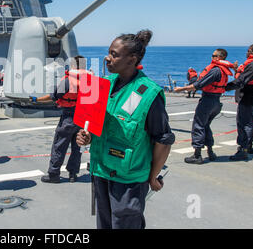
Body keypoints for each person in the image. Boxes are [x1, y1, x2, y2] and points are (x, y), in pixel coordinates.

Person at [76, 30, 174, 229]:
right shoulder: (103, 85)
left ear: (132, 59)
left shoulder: (148, 94)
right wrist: (87, 137)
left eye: (114, 54)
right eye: (109, 52)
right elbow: (96, 126)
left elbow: (163, 140)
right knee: (104, 224)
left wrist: (152, 178)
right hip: (101, 171)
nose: (107, 58)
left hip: (129, 179)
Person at [29, 55, 89, 183]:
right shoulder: (90, 80)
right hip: (84, 118)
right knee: (77, 147)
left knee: (59, 146)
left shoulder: (67, 81)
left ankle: (53, 174)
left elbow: (54, 97)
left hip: (68, 117)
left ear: (73, 66)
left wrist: (36, 99)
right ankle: (73, 174)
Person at [174, 49, 235, 164]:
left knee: (198, 125)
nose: (212, 58)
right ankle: (210, 152)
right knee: (206, 125)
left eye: (214, 55)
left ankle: (197, 155)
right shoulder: (223, 71)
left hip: (208, 101)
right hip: (216, 101)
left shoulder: (216, 70)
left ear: (220, 57)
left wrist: (181, 89)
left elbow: (199, 84)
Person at [225, 44, 253, 160]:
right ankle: (248, 146)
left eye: (248, 51)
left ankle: (243, 149)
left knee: (244, 123)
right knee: (249, 121)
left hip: (248, 96)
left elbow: (240, 81)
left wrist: (223, 87)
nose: (247, 53)